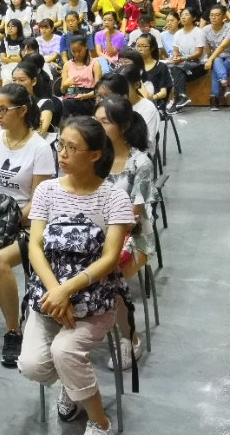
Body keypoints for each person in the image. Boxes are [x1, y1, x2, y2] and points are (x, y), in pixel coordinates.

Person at [18, 116, 135, 435]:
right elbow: (35, 248)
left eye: (72, 147)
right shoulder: (47, 191)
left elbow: (110, 258)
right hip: (48, 298)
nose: (62, 153)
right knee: (32, 366)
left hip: (94, 301)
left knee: (65, 352)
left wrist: (66, 290)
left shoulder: (114, 197)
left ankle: (100, 423)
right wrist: (56, 292)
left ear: (95, 155)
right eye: (61, 145)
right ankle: (73, 386)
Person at [0, 84, 55, 367]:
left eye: (3, 110)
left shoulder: (40, 148)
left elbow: (39, 199)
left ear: (22, 111)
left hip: (28, 222)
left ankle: (13, 330)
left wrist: (11, 221)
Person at [94, 96, 155, 372]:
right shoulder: (93, 157)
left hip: (135, 238)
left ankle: (130, 338)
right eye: (96, 121)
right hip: (96, 234)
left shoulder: (140, 163)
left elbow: (133, 216)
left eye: (104, 122)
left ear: (124, 126)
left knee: (111, 275)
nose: (97, 127)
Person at [167, 6, 206, 112]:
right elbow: (175, 50)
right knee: (173, 68)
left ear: (194, 18)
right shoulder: (178, 33)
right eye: (182, 15)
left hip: (198, 65)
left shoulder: (199, 32)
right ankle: (181, 98)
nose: (183, 17)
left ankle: (176, 101)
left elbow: (199, 53)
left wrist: (183, 58)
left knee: (176, 69)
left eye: (186, 15)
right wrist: (175, 56)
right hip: (183, 64)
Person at [61, 36, 102, 117]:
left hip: (89, 96)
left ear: (85, 47)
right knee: (66, 102)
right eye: (73, 51)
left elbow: (98, 90)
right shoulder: (67, 65)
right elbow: (62, 90)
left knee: (71, 103)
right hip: (72, 92)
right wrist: (65, 85)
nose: (77, 54)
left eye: (79, 51)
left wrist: (84, 96)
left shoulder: (95, 64)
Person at [204, 4, 230, 108]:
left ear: (223, 16)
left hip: (229, 57)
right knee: (217, 60)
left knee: (215, 63)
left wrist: (210, 60)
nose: (213, 17)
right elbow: (207, 48)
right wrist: (209, 58)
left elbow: (222, 47)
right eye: (211, 15)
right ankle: (225, 84)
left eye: (217, 15)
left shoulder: (229, 28)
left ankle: (214, 97)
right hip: (217, 58)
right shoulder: (205, 30)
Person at [0, 19, 26, 84]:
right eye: (8, 26)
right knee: (6, 80)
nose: (10, 28)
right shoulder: (4, 41)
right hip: (7, 67)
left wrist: (9, 57)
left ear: (19, 28)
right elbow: (3, 59)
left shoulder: (24, 41)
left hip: (21, 66)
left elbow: (21, 59)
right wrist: (15, 57)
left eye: (13, 26)